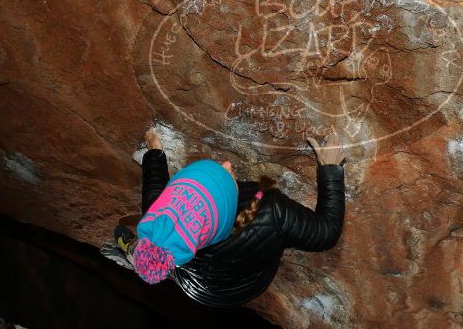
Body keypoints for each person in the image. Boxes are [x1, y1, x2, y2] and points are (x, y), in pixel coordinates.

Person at [115, 129, 345, 307]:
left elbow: (156, 190)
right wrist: (331, 168)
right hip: (247, 285)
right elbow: (326, 233)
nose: (228, 164)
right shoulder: (270, 211)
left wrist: (155, 150)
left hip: (199, 288)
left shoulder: (158, 224)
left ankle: (139, 256)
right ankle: (137, 257)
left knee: (159, 251)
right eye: (227, 177)